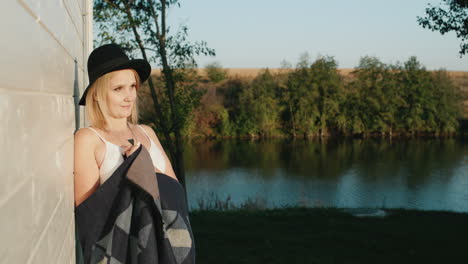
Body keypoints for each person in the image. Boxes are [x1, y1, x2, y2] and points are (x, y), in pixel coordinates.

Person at [74, 44, 194, 264]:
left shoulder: (147, 132)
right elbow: (90, 216)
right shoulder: (88, 140)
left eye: (132, 86)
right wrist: (130, 171)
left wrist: (144, 167)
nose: (129, 96)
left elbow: (175, 193)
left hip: (164, 247)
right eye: (118, 89)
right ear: (97, 94)